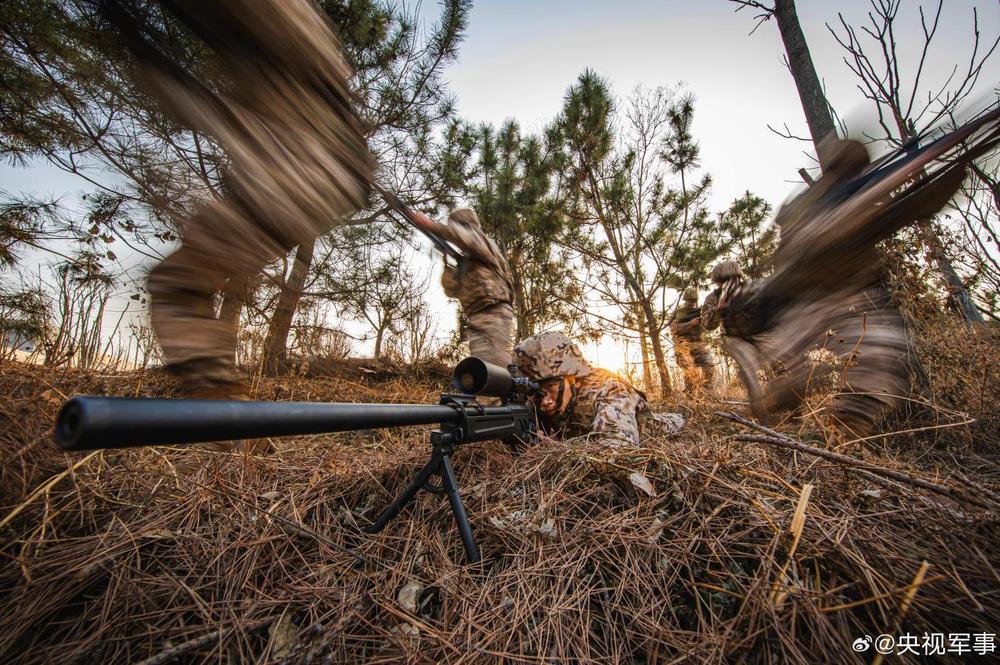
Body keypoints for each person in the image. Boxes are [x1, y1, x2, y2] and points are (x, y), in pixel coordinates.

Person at [126, 0, 376, 452]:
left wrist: (157, 75)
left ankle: (230, 431)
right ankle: (235, 433)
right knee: (182, 280)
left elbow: (219, 108)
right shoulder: (308, 45)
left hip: (294, 175)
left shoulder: (286, 25)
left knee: (179, 285)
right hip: (319, 186)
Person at [513, 332, 684, 448]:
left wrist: (553, 448)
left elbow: (616, 452)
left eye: (551, 387)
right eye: (535, 391)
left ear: (575, 378)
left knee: (675, 421)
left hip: (658, 428)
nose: (545, 401)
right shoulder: (540, 400)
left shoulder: (610, 390)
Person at [411, 209, 515, 368]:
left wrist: (430, 225)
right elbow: (451, 291)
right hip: (477, 315)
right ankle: (489, 393)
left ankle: (508, 391)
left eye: (455, 228)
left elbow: (464, 237)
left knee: (493, 366)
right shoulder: (467, 261)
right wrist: (448, 263)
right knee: (482, 367)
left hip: (495, 312)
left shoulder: (482, 242)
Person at [671, 288, 717, 393]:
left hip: (699, 346)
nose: (691, 303)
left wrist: (709, 316)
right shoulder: (678, 313)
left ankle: (707, 393)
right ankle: (690, 396)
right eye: (689, 300)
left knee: (709, 367)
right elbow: (674, 329)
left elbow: (708, 326)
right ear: (684, 300)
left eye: (693, 300)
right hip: (684, 347)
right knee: (690, 373)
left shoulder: (700, 312)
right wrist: (691, 323)